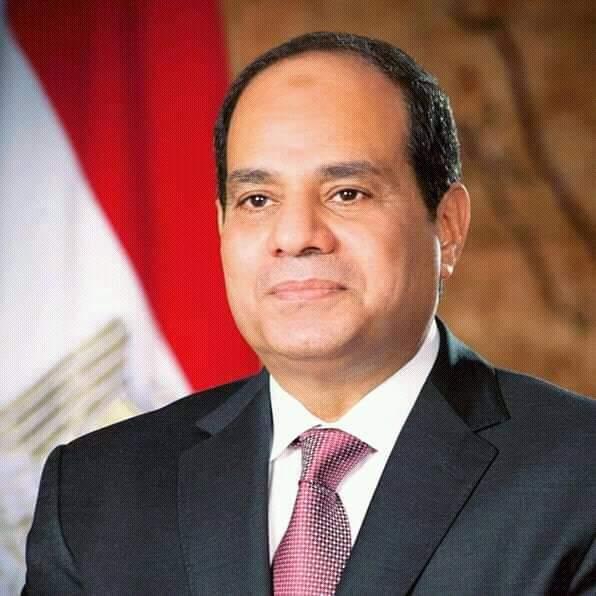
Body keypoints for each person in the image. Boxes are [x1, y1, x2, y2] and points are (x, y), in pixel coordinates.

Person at [24, 32, 595, 595]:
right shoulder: (95, 493)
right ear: (222, 227)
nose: (296, 236)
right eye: (258, 200)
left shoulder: (580, 476)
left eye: (347, 192)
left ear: (447, 226)